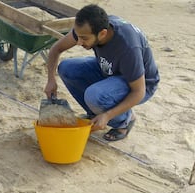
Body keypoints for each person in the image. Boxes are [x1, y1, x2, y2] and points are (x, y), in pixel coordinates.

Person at [44, 4, 159, 141]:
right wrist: (51, 80)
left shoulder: (128, 47)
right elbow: (56, 49)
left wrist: (108, 115)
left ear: (103, 33)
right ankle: (94, 113)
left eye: (84, 38)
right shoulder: (89, 27)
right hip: (110, 68)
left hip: (140, 83)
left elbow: (138, 92)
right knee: (66, 68)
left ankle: (125, 121)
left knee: (95, 96)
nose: (79, 42)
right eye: (78, 36)